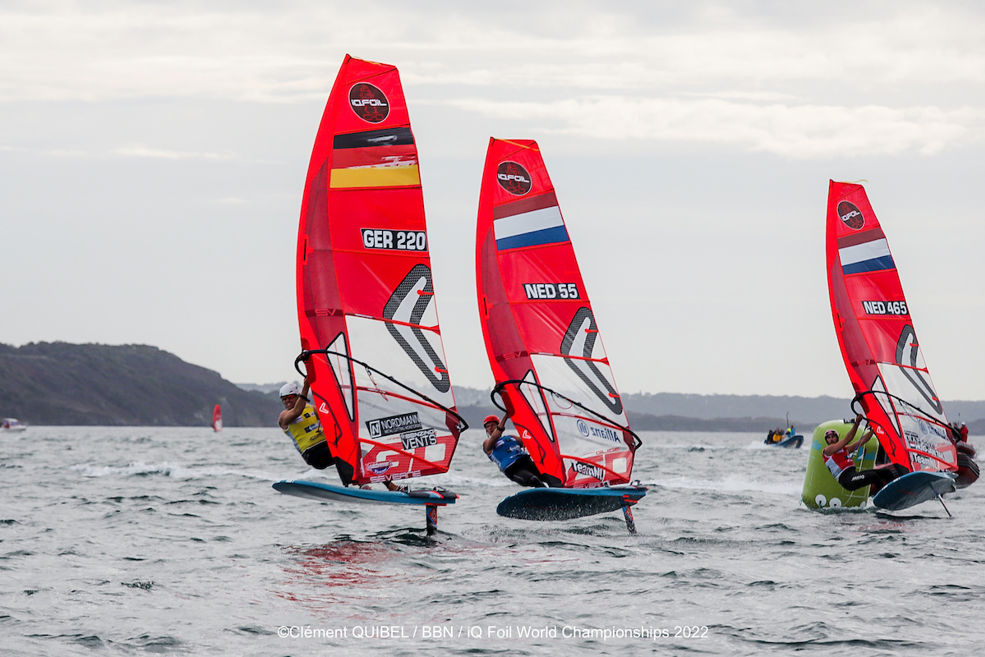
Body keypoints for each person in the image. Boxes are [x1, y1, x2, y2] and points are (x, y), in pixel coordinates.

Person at [278, 378, 402, 491]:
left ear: (297, 396)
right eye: (284, 399)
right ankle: (361, 484)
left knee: (362, 454)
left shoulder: (311, 408)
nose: (287, 400)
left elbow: (330, 415)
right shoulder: (284, 417)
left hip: (328, 445)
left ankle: (391, 485)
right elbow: (297, 411)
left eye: (290, 397)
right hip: (313, 454)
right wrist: (306, 386)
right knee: (340, 450)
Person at [822, 414, 907, 491]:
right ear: (826, 440)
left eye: (833, 436)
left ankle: (899, 490)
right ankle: (886, 493)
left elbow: (863, 440)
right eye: (828, 438)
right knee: (874, 476)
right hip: (847, 480)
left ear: (837, 438)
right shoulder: (827, 451)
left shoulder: (845, 450)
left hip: (853, 475)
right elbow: (848, 439)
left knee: (885, 472)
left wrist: (873, 429)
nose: (831, 439)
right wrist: (857, 423)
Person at [482, 411, 547, 487]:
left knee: (550, 475)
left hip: (526, 462)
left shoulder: (511, 437)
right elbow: (495, 436)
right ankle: (549, 497)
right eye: (487, 426)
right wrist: (506, 417)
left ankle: (560, 491)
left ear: (497, 425)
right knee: (534, 480)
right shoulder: (486, 444)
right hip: (513, 469)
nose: (490, 428)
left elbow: (531, 442)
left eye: (492, 425)